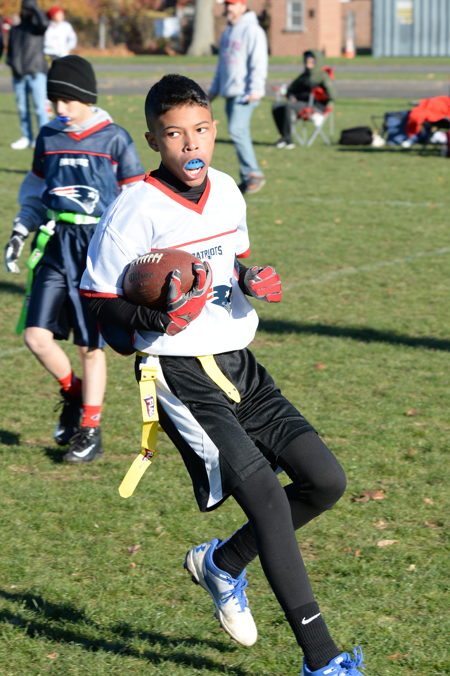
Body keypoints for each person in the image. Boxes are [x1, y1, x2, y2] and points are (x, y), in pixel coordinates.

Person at [80, 73, 366, 675]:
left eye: (202, 130)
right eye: (174, 134)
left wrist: (249, 277)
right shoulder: (134, 209)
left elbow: (231, 259)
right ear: (154, 139)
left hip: (239, 364)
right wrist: (156, 313)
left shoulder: (229, 190)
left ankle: (223, 564)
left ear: (214, 130)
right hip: (179, 375)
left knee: (325, 482)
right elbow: (100, 304)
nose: (191, 144)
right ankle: (322, 660)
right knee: (266, 501)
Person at [3, 55, 145, 463]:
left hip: (95, 248)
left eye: (68, 100)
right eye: (55, 101)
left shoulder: (114, 138)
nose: (60, 108)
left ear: (87, 97)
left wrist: (135, 252)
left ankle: (90, 430)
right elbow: (35, 191)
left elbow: (135, 198)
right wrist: (20, 229)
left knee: (89, 345)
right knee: (36, 336)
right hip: (54, 243)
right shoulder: (48, 136)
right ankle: (74, 392)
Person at [209, 0, 268, 195]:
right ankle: (247, 177)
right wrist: (214, 91)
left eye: (233, 4)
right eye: (227, 4)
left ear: (243, 6)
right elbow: (222, 66)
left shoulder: (253, 30)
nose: (228, 8)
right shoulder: (227, 32)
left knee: (237, 130)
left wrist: (255, 89)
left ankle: (254, 174)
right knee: (238, 132)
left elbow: (259, 61)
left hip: (245, 93)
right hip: (230, 91)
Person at [6, 0, 49, 150]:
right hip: (19, 75)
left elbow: (44, 23)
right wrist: (13, 66)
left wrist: (35, 9)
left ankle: (43, 138)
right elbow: (11, 52)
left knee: (40, 108)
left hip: (36, 72)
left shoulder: (37, 29)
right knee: (22, 108)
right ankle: (26, 137)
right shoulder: (16, 29)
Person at [272, 49, 335, 149]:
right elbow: (291, 89)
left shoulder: (322, 76)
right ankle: (283, 137)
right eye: (306, 61)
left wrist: (318, 93)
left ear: (317, 62)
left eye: (311, 61)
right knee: (276, 106)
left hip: (315, 106)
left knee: (288, 106)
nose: (308, 64)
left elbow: (332, 95)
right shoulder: (304, 76)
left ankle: (289, 140)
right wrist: (289, 94)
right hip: (300, 103)